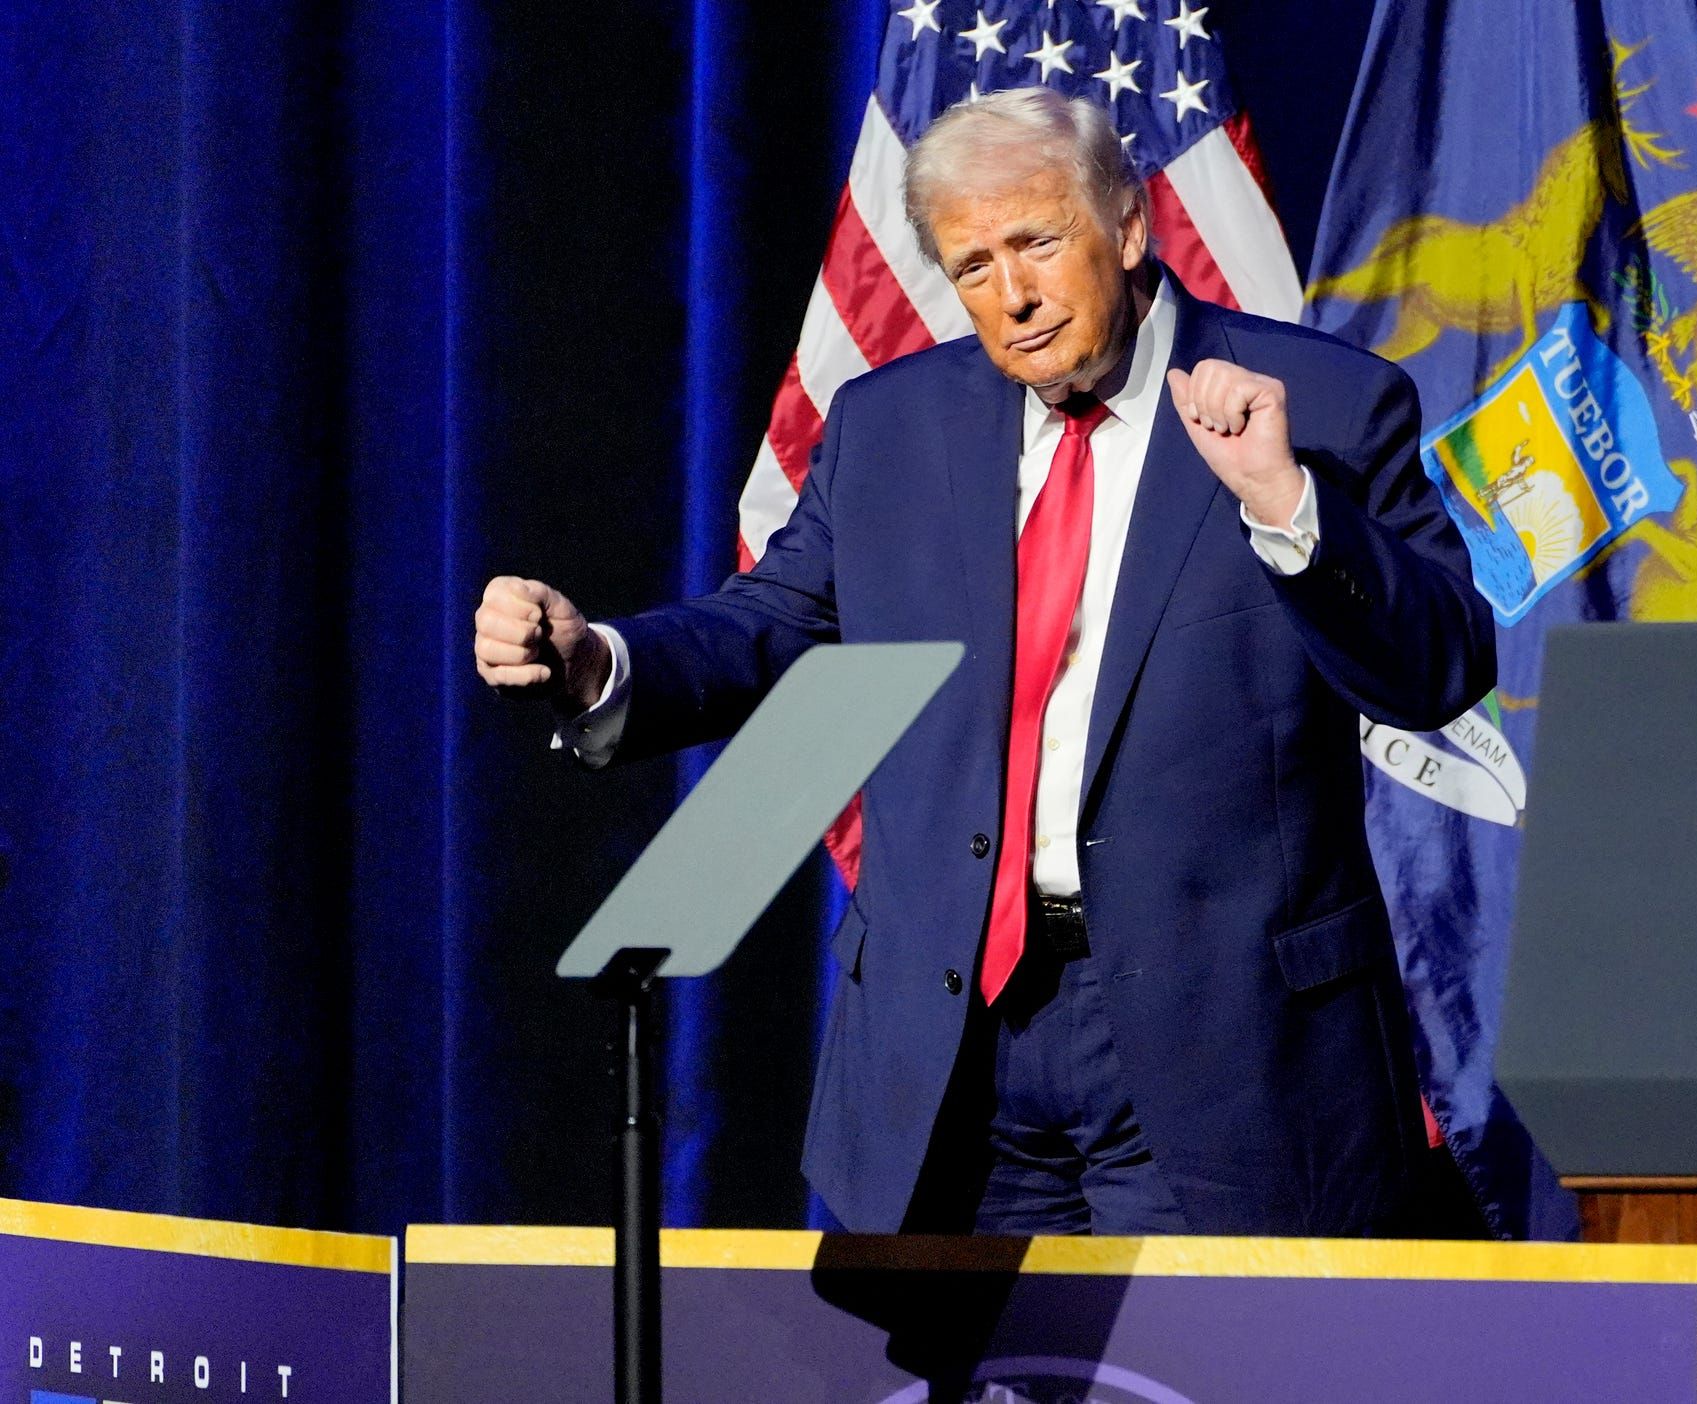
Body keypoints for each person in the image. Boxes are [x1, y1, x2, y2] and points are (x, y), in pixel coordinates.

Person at [473, 88, 1494, 1237]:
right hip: (955, 1050)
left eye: (1035, 244)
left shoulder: (1320, 406)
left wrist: (1286, 504)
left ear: (1126, 227)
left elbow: (1439, 668)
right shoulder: (888, 427)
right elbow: (768, 623)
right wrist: (595, 659)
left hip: (1226, 1043)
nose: (1010, 297)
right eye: (970, 266)